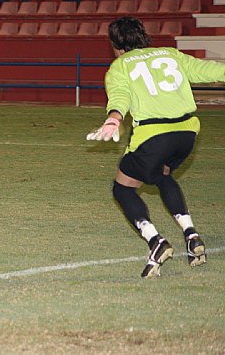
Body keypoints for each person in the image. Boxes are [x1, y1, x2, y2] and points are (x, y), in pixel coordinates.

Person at [86, 16, 225, 277]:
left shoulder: (120, 66)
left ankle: (155, 241)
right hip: (186, 133)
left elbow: (120, 97)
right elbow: (208, 71)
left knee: (123, 188)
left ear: (116, 44)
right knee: (162, 174)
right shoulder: (171, 54)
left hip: (153, 135)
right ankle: (191, 235)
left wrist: (113, 119)